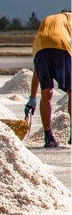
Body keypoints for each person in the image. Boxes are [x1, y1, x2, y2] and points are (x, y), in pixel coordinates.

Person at [24, 10, 71, 147]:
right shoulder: (70, 19)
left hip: (39, 46)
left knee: (46, 92)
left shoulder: (49, 20)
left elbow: (37, 71)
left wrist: (32, 97)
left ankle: (48, 137)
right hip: (60, 43)